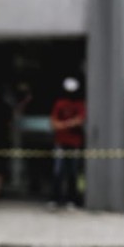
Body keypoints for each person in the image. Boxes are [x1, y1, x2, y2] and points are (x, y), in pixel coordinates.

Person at [49, 76, 86, 209]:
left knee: (73, 171)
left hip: (75, 142)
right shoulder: (59, 103)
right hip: (60, 142)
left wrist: (62, 124)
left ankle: (72, 199)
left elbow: (80, 120)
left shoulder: (80, 104)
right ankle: (55, 199)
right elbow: (53, 123)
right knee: (58, 171)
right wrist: (70, 123)